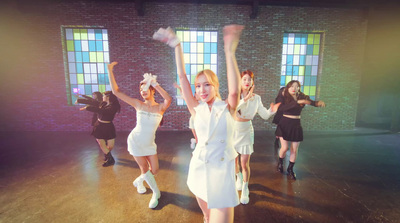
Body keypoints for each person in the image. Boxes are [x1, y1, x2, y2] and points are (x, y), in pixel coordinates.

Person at [153, 24, 243, 223]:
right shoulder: (196, 108)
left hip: (222, 173)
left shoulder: (227, 107)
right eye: (198, 86)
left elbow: (235, 91)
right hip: (200, 169)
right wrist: (177, 46)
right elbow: (182, 77)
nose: (202, 90)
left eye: (207, 84)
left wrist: (229, 52)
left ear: (215, 85)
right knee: (207, 216)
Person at [107, 62, 172, 209]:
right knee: (144, 168)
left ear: (152, 90)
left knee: (154, 170)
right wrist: (109, 70)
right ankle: (156, 192)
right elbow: (116, 92)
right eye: (140, 89)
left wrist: (155, 84)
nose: (142, 91)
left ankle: (139, 181)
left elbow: (168, 99)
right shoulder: (138, 104)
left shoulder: (160, 108)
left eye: (145, 88)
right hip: (135, 141)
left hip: (149, 144)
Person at [233, 70, 280, 204]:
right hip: (234, 130)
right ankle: (238, 177)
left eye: (249, 79)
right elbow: (233, 109)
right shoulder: (235, 96)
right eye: (244, 79)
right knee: (234, 161)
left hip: (247, 131)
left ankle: (245, 187)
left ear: (252, 82)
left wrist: (272, 110)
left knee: (244, 163)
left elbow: (264, 115)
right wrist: (245, 99)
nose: (247, 82)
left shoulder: (257, 98)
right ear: (240, 81)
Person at [275, 80, 326, 180]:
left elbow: (310, 102)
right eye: (292, 86)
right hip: (284, 124)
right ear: (287, 88)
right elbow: (282, 108)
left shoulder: (302, 96)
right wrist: (298, 102)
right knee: (284, 148)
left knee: (294, 149)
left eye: (296, 86)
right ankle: (280, 163)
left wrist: (317, 103)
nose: (294, 88)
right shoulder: (284, 96)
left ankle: (290, 169)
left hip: (296, 125)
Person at [78, 91, 121, 167]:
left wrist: (88, 107)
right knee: (101, 143)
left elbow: (102, 111)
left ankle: (107, 155)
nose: (102, 97)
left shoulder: (113, 107)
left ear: (108, 97)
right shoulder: (103, 103)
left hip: (108, 126)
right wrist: (79, 100)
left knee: (110, 146)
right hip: (99, 125)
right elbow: (93, 101)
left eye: (104, 96)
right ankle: (110, 159)